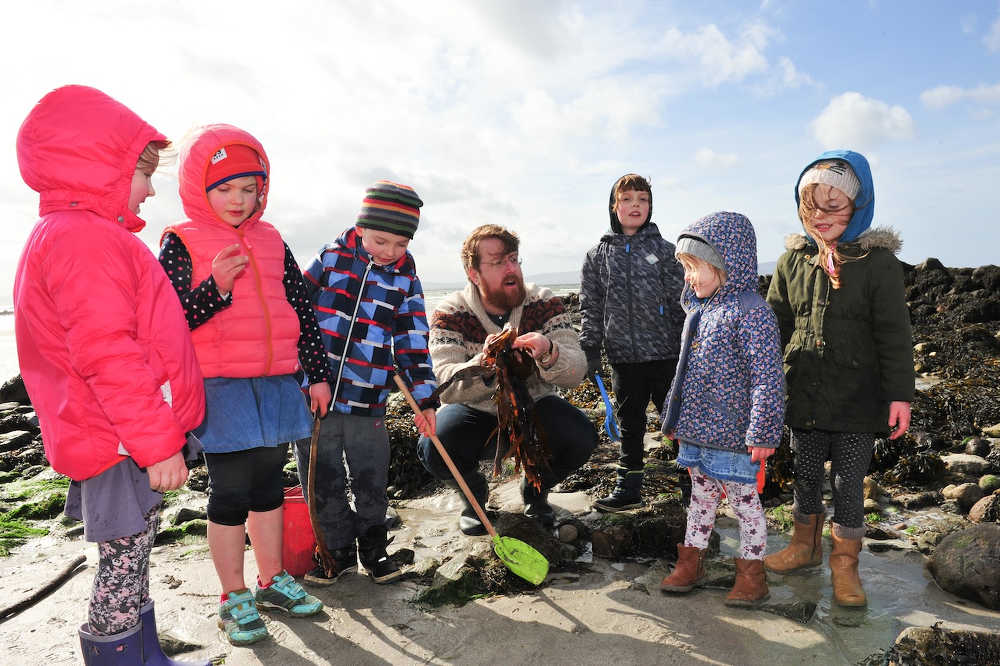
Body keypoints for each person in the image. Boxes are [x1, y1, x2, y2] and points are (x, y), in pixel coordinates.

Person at [14, 85, 208, 664]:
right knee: (123, 560)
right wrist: (157, 444)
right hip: (118, 439)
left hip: (117, 433)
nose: (150, 188)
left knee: (134, 551)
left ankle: (146, 655)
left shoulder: (81, 234)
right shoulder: (83, 239)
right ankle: (120, 656)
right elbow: (107, 355)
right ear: (99, 168)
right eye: (142, 173)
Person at [158, 124, 333, 646]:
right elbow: (166, 322)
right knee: (231, 492)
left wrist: (317, 374)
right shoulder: (180, 240)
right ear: (199, 188)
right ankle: (233, 595)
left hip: (276, 383)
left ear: (263, 189)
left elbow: (301, 310)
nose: (238, 199)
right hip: (219, 387)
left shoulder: (273, 239)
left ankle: (272, 579)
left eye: (248, 188)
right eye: (224, 188)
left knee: (268, 487)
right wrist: (216, 288)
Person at [763, 151, 913, 607]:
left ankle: (845, 563)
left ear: (859, 206)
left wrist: (900, 396)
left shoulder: (878, 263)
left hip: (857, 400)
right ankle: (804, 546)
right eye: (810, 207)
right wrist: (761, 383)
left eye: (834, 206)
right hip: (804, 393)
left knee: (849, 484)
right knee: (805, 475)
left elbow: (894, 334)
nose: (820, 216)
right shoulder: (792, 261)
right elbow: (773, 326)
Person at [293, 180, 438, 586]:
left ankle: (375, 552)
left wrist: (425, 399)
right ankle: (336, 554)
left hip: (368, 397)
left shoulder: (406, 279)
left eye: (400, 243)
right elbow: (296, 313)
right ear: (360, 229)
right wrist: (302, 375)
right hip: (314, 395)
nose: (390, 251)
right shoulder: (331, 258)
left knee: (371, 477)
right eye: (380, 241)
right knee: (322, 480)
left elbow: (412, 341)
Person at [418, 224, 599, 535]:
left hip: (535, 406)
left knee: (581, 437)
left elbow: (576, 371)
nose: (511, 268)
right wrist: (483, 363)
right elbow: (442, 382)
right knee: (434, 446)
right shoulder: (451, 311)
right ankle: (474, 498)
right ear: (474, 274)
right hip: (476, 410)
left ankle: (536, 491)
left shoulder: (544, 302)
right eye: (498, 262)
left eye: (514, 259)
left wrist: (549, 351)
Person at [658, 212, 784, 608]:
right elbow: (684, 372)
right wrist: (673, 419)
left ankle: (752, 574)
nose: (688, 277)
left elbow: (767, 377)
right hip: (697, 432)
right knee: (701, 497)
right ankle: (691, 563)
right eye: (685, 267)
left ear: (726, 262)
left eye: (694, 267)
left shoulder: (752, 311)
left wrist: (763, 432)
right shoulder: (699, 309)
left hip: (734, 434)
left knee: (745, 503)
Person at [580, 173, 685, 512]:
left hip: (666, 355)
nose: (635, 205)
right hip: (623, 358)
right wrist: (590, 349)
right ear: (615, 206)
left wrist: (690, 349)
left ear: (650, 206)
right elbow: (591, 306)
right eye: (627, 199)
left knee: (678, 423)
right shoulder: (597, 256)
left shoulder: (667, 252)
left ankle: (692, 488)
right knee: (630, 425)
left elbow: (682, 304)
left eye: (643, 199)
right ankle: (628, 488)